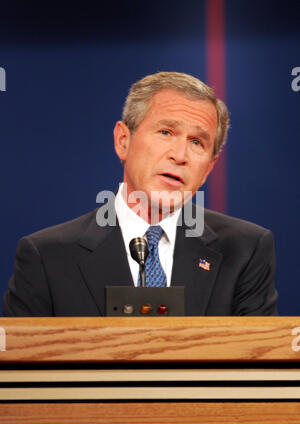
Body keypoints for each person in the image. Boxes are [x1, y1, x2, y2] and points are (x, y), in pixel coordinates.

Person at [2, 72, 278, 316]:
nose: (180, 155)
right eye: (166, 132)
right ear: (123, 141)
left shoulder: (244, 250)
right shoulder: (47, 257)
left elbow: (257, 367)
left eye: (197, 142)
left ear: (209, 168)